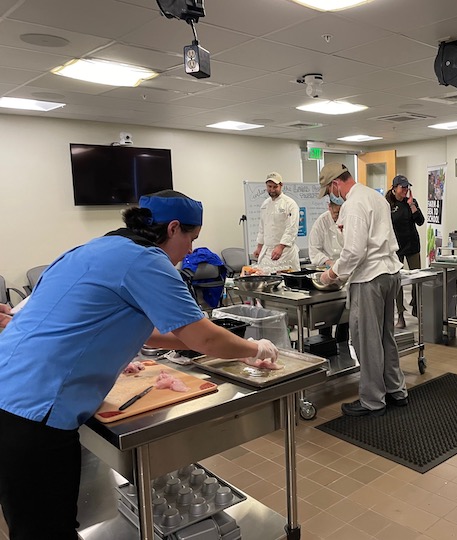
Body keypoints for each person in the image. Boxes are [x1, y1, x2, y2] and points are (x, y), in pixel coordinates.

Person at [0, 190, 280, 540]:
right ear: (174, 228)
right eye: (191, 239)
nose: (191, 251)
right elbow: (203, 339)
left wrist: (236, 348)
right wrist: (251, 347)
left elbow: (152, 334)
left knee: (32, 522)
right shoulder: (146, 260)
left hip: (10, 390)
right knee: (46, 530)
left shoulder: (95, 248)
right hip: (35, 409)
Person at [316, 163, 407, 417]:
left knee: (367, 341)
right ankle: (395, 390)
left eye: (329, 191)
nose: (332, 196)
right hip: (390, 274)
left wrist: (332, 274)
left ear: (335, 184)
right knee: (385, 337)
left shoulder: (353, 204)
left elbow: (355, 251)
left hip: (370, 278)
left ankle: (372, 401)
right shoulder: (376, 197)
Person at [385, 175, 425, 329]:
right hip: (396, 248)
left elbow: (420, 221)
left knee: (417, 277)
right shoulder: (387, 203)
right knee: (398, 282)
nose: (405, 190)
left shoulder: (411, 202)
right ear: (394, 188)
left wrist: (412, 206)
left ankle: (415, 304)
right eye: (402, 187)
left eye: (407, 187)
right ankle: (400, 314)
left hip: (412, 245)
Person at [308, 200, 349, 342]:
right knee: (325, 316)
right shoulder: (321, 222)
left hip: (346, 274)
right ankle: (325, 346)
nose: (338, 216)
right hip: (327, 273)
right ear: (329, 207)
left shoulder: (349, 220)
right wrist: (328, 262)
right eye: (336, 213)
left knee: (345, 316)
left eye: (341, 212)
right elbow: (314, 249)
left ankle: (343, 348)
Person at [252, 172, 300, 273]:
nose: (272, 190)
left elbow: (291, 228)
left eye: (275, 187)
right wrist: (259, 247)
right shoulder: (265, 204)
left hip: (285, 251)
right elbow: (262, 228)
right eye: (269, 186)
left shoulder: (290, 204)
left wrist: (281, 247)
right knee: (265, 279)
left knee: (285, 281)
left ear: (281, 185)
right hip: (267, 250)